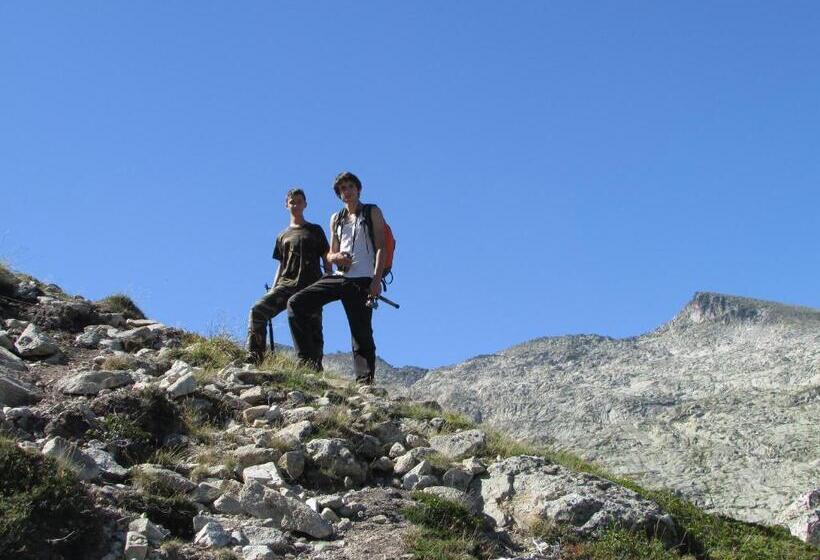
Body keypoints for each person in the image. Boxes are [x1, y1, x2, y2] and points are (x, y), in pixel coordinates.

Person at [287, 171, 386, 383]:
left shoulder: (372, 212)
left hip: (363, 280)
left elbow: (381, 247)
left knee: (361, 331)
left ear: (358, 189)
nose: (347, 191)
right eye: (342, 189)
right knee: (296, 303)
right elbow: (330, 254)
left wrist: (376, 281)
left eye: (350, 187)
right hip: (340, 277)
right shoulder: (337, 218)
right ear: (338, 194)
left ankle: (365, 382)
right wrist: (336, 256)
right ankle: (308, 363)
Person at [247, 188, 330, 364]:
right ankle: (255, 356)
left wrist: (329, 280)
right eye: (292, 201)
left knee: (313, 327)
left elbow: (326, 257)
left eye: (299, 201)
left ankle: (312, 368)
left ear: (305, 204)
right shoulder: (282, 235)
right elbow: (281, 263)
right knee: (258, 310)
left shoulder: (315, 230)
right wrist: (274, 287)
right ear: (286, 205)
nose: (295, 204)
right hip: (286, 284)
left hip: (311, 286)